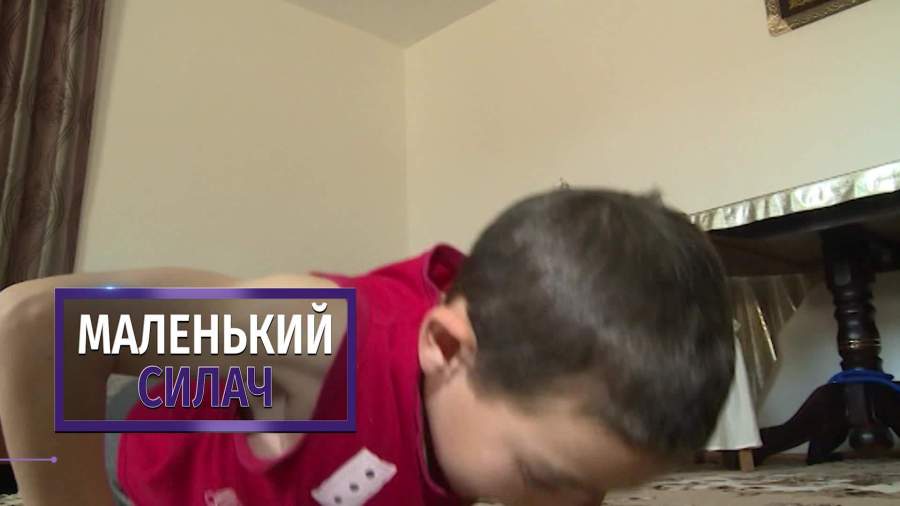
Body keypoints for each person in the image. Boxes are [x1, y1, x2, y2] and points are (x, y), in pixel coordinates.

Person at [0, 188, 734, 506]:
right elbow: (36, 324)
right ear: (445, 347)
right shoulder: (315, 340)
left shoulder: (505, 379)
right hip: (134, 457)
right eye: (545, 477)